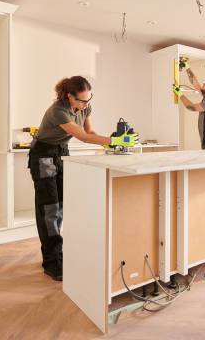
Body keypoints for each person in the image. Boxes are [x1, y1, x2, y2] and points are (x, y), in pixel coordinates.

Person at [28, 76, 138, 281]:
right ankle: (52, 263)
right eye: (82, 100)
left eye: (89, 100)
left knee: (60, 206)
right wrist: (115, 141)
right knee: (48, 209)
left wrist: (111, 144)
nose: (86, 104)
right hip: (42, 155)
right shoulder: (57, 111)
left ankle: (58, 254)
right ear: (69, 96)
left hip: (61, 152)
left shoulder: (86, 108)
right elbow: (83, 137)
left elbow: (91, 132)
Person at [172, 67, 205, 149]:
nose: (203, 84)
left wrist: (179, 93)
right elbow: (195, 83)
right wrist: (186, 67)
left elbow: (191, 107)